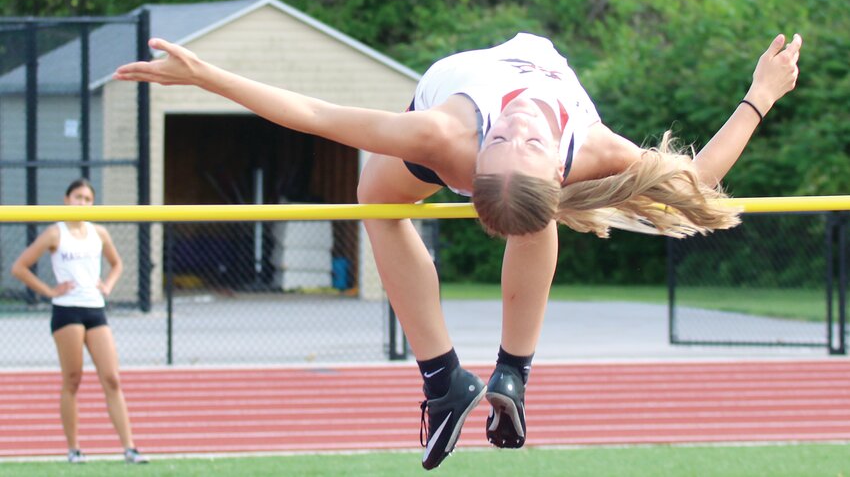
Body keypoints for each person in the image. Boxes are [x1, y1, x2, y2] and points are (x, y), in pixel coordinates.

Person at [114, 31, 801, 469]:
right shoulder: (496, 143)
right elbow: (700, 178)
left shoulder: (462, 140)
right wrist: (759, 96)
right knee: (429, 208)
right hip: (484, 89)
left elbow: (317, 115)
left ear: (557, 174)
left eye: (519, 143)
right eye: (507, 141)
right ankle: (485, 377)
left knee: (404, 207)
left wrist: (208, 75)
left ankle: (462, 382)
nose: (517, 127)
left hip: (463, 95)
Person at [10, 179, 149, 464]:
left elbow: (117, 263)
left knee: (111, 378)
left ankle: (129, 448)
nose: (82, 203)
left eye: (87, 198)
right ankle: (74, 449)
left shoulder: (99, 232)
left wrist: (108, 284)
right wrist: (49, 291)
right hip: (67, 310)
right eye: (77, 197)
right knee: (73, 380)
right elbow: (19, 267)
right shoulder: (54, 233)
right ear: (66, 199)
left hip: (95, 309)